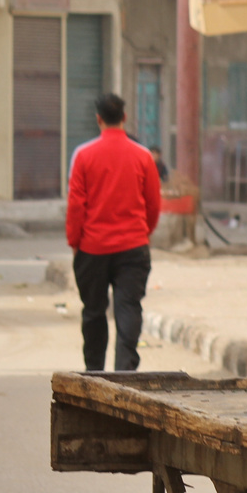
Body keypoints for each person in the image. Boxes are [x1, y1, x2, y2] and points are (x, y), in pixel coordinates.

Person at [66, 93, 161, 372]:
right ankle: (125, 375)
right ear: (124, 118)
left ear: (98, 120)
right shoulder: (143, 156)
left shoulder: (83, 155)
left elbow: (76, 205)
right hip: (133, 247)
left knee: (94, 313)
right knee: (128, 308)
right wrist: (144, 233)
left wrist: (75, 241)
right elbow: (153, 203)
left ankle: (94, 373)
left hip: (92, 249)